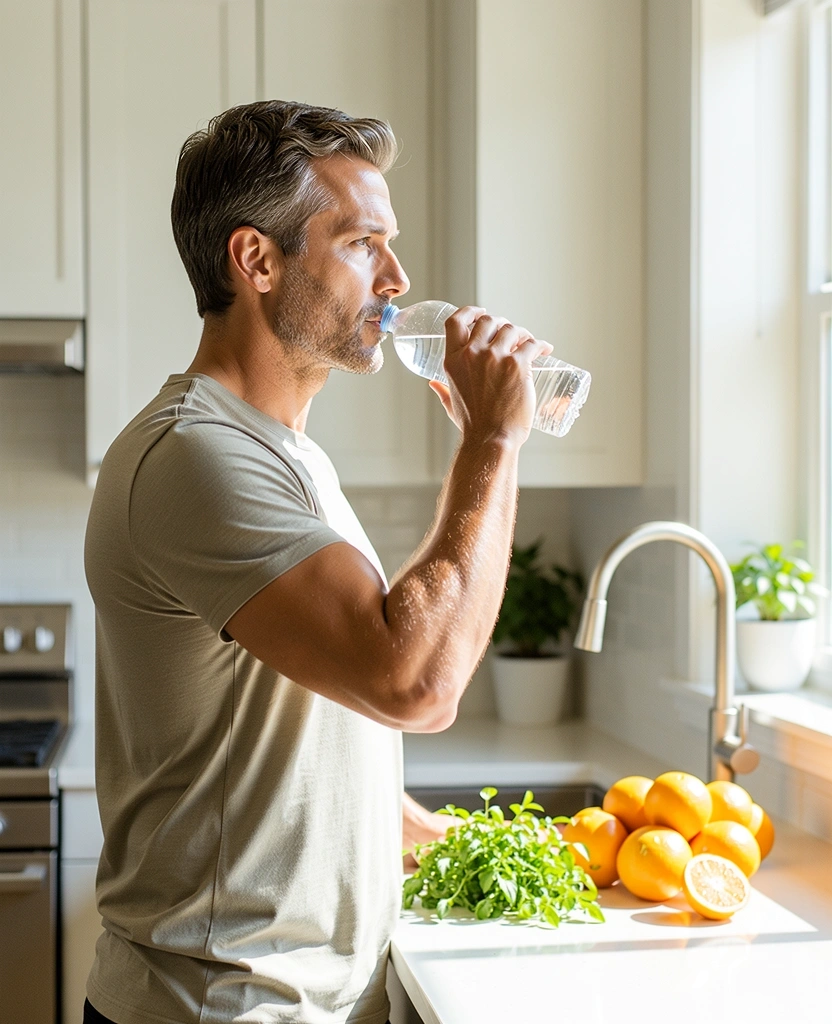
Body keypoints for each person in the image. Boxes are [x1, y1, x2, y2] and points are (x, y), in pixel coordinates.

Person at [83, 99, 551, 1024]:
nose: (398, 276)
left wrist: (405, 828)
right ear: (257, 260)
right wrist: (494, 445)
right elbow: (413, 682)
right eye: (361, 243)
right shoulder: (195, 457)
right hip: (222, 1002)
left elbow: (289, 715)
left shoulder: (285, 455)